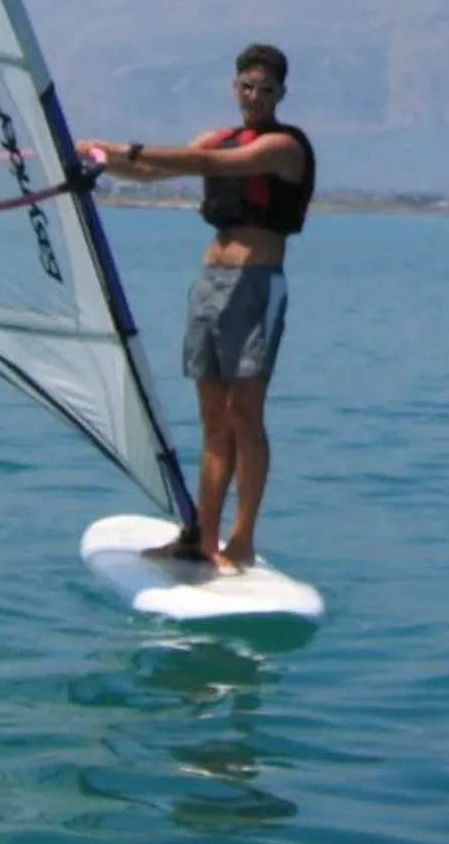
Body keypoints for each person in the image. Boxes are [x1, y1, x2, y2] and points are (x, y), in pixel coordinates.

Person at [85, 43, 314, 574]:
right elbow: (154, 173)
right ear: (234, 87)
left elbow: (201, 163)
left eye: (267, 90)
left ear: (282, 94)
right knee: (213, 416)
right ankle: (200, 537)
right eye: (247, 87)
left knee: (244, 415)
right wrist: (97, 158)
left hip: (255, 284)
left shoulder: (283, 147)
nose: (255, 97)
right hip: (210, 284)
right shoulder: (221, 135)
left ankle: (241, 541)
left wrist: (117, 146)